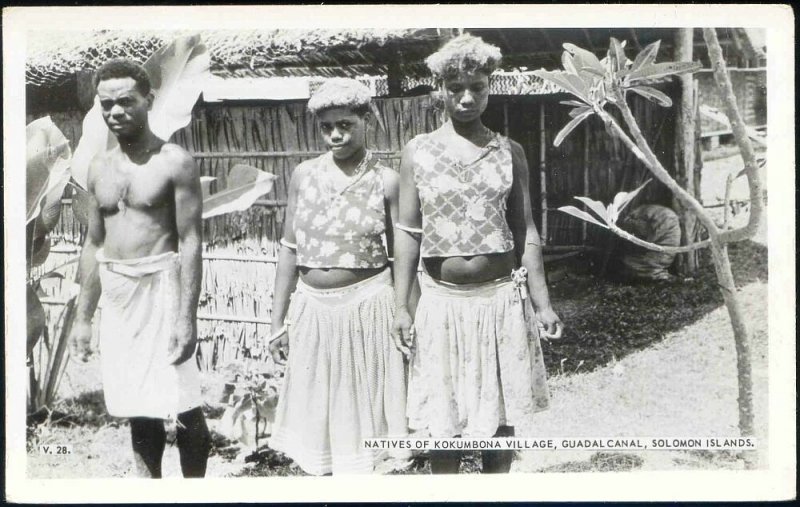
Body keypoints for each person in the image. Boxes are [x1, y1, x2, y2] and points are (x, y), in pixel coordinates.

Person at [391, 34, 563, 474]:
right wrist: (401, 307)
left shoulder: (509, 152)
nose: (467, 98)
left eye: (478, 88)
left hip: (499, 302)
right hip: (442, 303)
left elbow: (524, 231)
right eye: (455, 88)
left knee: (499, 417)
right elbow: (409, 233)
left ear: (491, 88)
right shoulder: (419, 152)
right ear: (439, 89)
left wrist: (543, 304)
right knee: (442, 418)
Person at [68, 58, 210, 478]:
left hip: (163, 288)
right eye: (106, 104)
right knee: (137, 406)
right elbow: (94, 242)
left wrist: (186, 318)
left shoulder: (174, 161)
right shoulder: (98, 167)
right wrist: (82, 317)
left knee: (184, 402)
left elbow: (190, 240)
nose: (115, 112)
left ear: (148, 100)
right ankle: (148, 490)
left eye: (126, 102)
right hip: (118, 293)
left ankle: (197, 491)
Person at [268, 78, 409, 475]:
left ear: (367, 119)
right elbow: (289, 250)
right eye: (326, 126)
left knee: (365, 421)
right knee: (319, 428)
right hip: (313, 310)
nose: (335, 134)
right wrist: (277, 323)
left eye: (345, 124)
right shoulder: (302, 176)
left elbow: (403, 256)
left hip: (368, 309)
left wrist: (406, 313)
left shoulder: (386, 180)